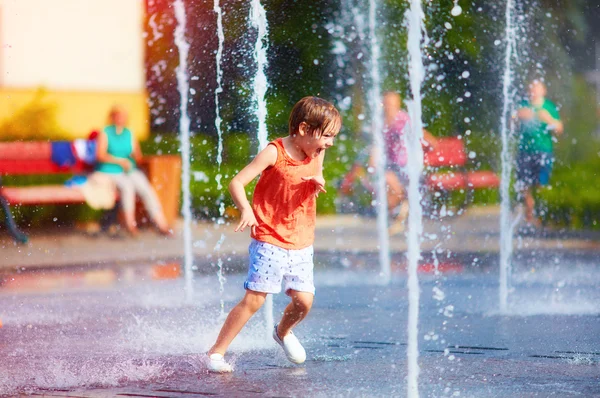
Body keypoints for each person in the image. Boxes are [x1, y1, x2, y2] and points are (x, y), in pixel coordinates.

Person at [206, 97, 342, 373]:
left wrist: (319, 181)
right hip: (269, 235)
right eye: (326, 136)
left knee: (304, 301)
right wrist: (246, 210)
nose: (330, 143)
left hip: (301, 238)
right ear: (304, 129)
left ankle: (283, 331)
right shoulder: (274, 152)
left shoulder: (316, 153)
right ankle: (216, 353)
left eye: (333, 137)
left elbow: (318, 174)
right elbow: (237, 182)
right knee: (255, 299)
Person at [95, 105, 171, 236]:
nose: (121, 119)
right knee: (127, 187)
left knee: (146, 189)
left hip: (128, 170)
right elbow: (100, 155)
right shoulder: (105, 132)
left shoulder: (129, 133)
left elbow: (137, 156)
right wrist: (119, 161)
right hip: (111, 170)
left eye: (124, 116)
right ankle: (130, 224)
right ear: (112, 117)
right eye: (118, 116)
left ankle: (161, 223)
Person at [369, 91, 438, 234]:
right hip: (391, 164)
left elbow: (421, 133)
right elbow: (376, 143)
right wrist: (373, 160)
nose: (390, 107)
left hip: (407, 165)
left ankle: (398, 217)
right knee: (390, 186)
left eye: (394, 104)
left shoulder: (403, 118)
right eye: (388, 103)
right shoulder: (379, 121)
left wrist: (430, 143)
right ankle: (397, 216)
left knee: (396, 189)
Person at [515, 80, 563, 226]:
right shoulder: (523, 106)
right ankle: (529, 214)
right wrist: (517, 117)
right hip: (525, 150)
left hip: (543, 150)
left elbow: (559, 129)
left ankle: (543, 214)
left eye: (537, 88)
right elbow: (511, 126)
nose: (534, 91)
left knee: (541, 183)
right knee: (524, 184)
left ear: (543, 91)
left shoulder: (548, 107)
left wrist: (548, 118)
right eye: (531, 88)